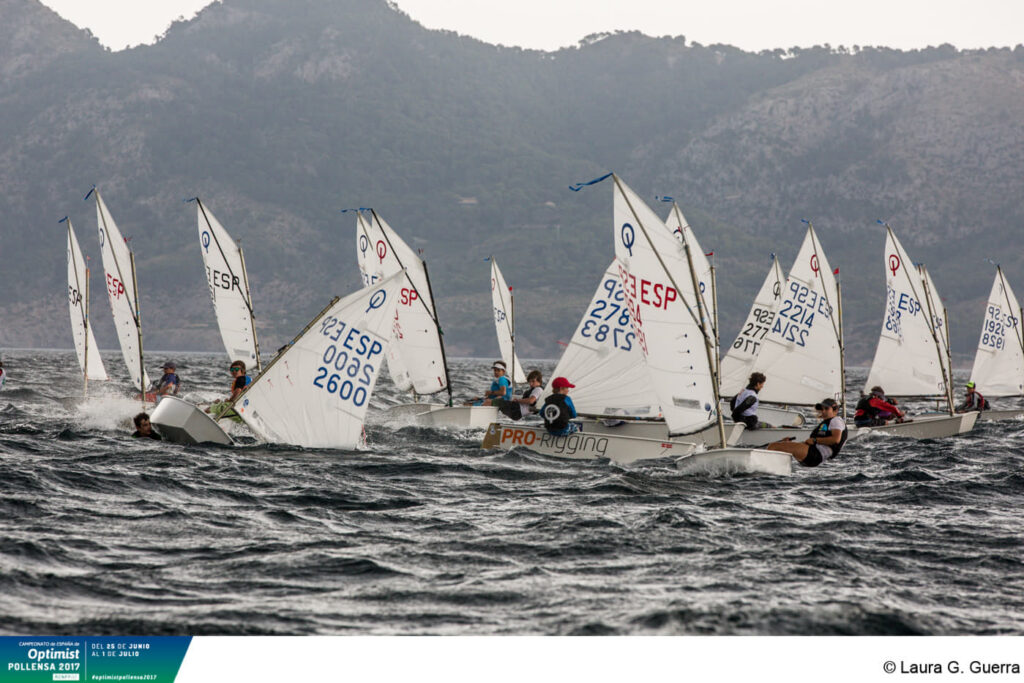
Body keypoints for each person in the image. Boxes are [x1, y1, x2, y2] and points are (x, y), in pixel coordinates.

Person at [766, 398, 846, 467]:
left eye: (826, 409)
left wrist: (815, 440)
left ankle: (765, 467)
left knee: (773, 446)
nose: (823, 411)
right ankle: (772, 467)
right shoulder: (828, 422)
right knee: (778, 446)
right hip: (814, 454)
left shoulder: (836, 420)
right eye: (822, 409)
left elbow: (836, 439)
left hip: (815, 454)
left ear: (835, 410)